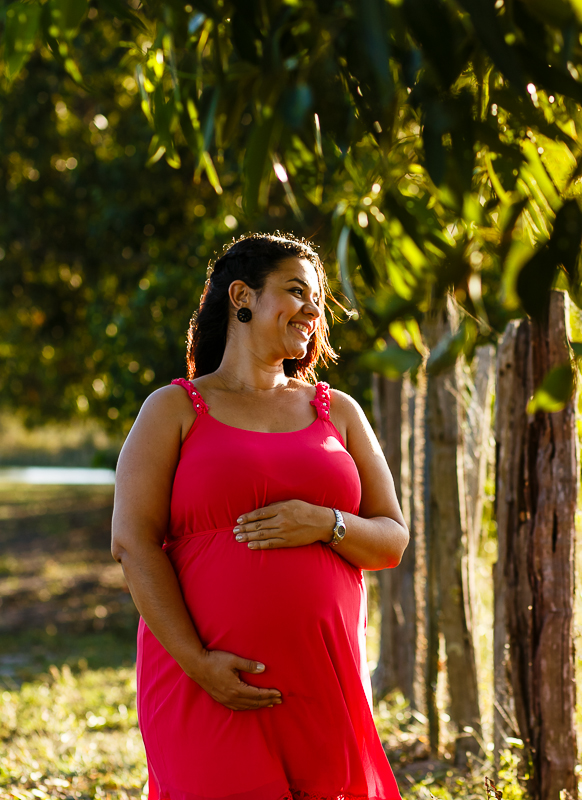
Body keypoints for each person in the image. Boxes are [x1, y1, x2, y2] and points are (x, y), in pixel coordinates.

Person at [111, 233, 409, 800]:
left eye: (317, 300)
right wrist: (198, 663)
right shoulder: (174, 409)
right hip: (209, 680)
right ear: (242, 296)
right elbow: (133, 543)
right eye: (296, 291)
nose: (312, 311)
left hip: (323, 678)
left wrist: (326, 523)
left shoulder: (338, 411)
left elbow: (391, 539)